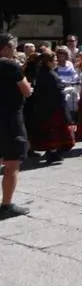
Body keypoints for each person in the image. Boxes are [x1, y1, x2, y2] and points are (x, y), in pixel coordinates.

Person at [0, 33, 32, 217]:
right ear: (4, 47)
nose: (15, 50)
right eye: (13, 47)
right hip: (11, 119)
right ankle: (6, 205)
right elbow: (26, 91)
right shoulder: (11, 65)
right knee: (12, 163)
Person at [26, 50, 75, 163]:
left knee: (49, 132)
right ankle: (52, 153)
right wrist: (64, 91)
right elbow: (54, 92)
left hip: (45, 108)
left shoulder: (43, 73)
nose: (56, 62)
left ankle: (51, 152)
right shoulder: (48, 74)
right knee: (54, 132)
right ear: (48, 62)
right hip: (53, 109)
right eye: (54, 60)